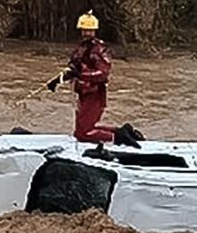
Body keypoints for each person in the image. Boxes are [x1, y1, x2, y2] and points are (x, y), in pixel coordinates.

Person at [46, 11, 140, 146]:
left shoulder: (99, 49)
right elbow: (73, 69)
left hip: (95, 93)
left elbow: (103, 74)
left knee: (83, 133)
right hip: (83, 92)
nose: (87, 33)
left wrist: (81, 75)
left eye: (89, 30)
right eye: (84, 30)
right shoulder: (81, 48)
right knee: (81, 131)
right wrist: (57, 80)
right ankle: (120, 131)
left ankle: (118, 137)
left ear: (94, 31)